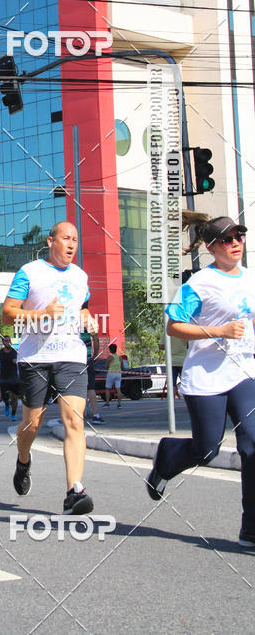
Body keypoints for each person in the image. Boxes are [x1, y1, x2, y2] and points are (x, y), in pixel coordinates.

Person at [146, 216, 255, 548]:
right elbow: (173, 326)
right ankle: (167, 457)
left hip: (244, 372)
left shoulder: (250, 278)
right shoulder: (199, 284)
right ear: (210, 248)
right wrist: (218, 331)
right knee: (207, 448)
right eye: (226, 239)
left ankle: (250, 528)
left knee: (252, 445)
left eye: (238, 236)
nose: (235, 242)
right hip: (207, 375)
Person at [2, 221, 94, 514]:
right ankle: (23, 459)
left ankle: (74, 492)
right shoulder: (30, 272)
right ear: (50, 241)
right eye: (66, 238)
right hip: (35, 358)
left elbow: (83, 306)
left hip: (72, 356)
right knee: (32, 425)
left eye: (75, 240)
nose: (71, 245)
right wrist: (41, 313)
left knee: (75, 422)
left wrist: (87, 317)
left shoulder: (81, 276)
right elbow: (7, 315)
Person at [80, 323, 103, 424]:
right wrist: (95, 355)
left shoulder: (70, 320)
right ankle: (96, 415)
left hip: (74, 360)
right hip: (87, 359)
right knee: (91, 388)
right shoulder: (88, 322)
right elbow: (96, 339)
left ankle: (75, 416)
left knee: (74, 389)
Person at [0, 334, 19, 421]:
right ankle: (6, 404)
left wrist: (16, 361)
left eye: (9, 340)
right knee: (4, 396)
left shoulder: (15, 352)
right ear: (3, 342)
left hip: (14, 377)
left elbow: (19, 360)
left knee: (14, 397)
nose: (8, 342)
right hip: (3, 377)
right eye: (6, 341)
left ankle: (13, 414)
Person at [105, 344, 122, 408]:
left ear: (110, 350)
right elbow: (122, 366)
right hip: (118, 374)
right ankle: (119, 404)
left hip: (111, 373)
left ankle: (107, 403)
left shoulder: (110, 357)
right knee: (118, 389)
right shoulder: (120, 357)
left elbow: (106, 366)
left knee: (107, 388)